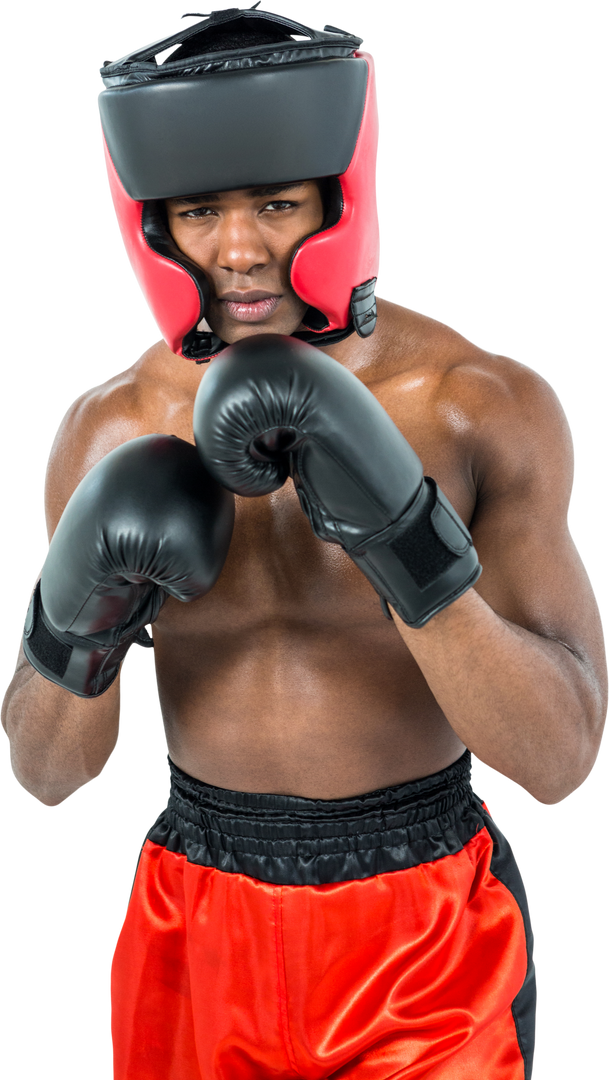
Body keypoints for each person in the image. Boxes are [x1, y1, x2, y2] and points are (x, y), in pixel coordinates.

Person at [1, 6, 606, 1078]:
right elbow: (47, 774)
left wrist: (406, 542)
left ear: (342, 196)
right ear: (153, 224)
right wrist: (78, 623)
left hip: (425, 934)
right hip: (196, 916)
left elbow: (558, 763)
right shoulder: (111, 429)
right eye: (199, 212)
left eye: (276, 203)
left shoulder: (477, 406)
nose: (238, 251)